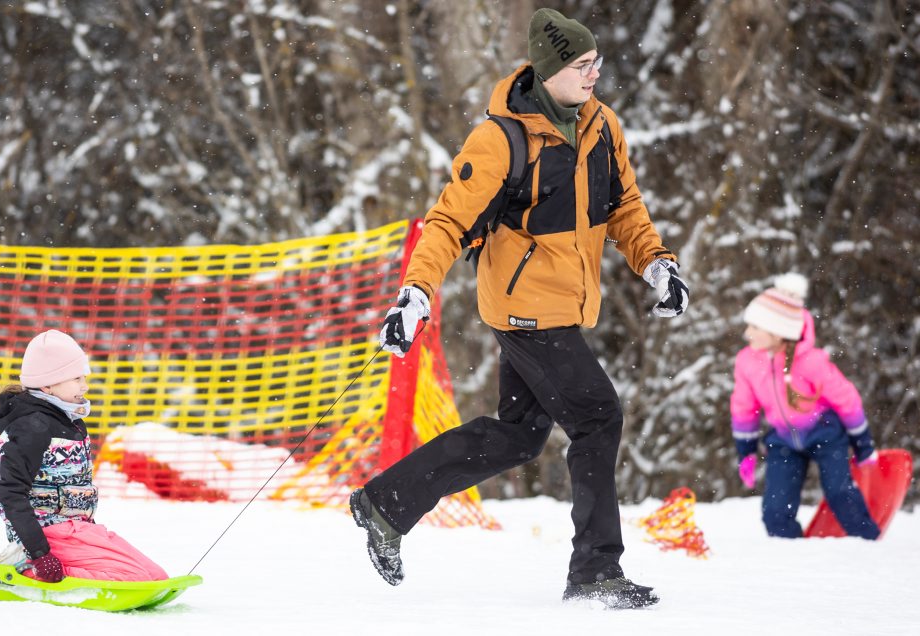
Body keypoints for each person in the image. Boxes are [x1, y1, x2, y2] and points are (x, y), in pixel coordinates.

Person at [349, 8, 689, 609]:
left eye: (596, 65)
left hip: (565, 306)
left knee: (518, 437)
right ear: (550, 69)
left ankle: (386, 504)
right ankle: (595, 571)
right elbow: (448, 222)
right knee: (597, 417)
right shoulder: (501, 138)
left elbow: (625, 207)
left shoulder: (602, 128)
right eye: (582, 66)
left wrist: (656, 261)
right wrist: (417, 292)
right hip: (526, 311)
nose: (593, 76)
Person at [0, 329, 169, 582]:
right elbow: (10, 494)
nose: (84, 386)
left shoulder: (69, 421)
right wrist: (40, 553)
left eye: (83, 377)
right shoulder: (31, 427)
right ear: (48, 384)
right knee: (134, 578)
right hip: (46, 534)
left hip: (78, 529)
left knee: (155, 576)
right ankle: (26, 569)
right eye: (76, 379)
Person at [730, 273, 880, 540]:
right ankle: (794, 557)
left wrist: (862, 443)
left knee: (839, 493)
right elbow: (743, 407)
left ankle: (868, 541)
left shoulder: (811, 362)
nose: (747, 333)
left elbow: (846, 399)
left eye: (754, 327)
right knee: (775, 512)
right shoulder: (747, 362)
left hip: (825, 435)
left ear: (777, 332)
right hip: (784, 442)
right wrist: (746, 451)